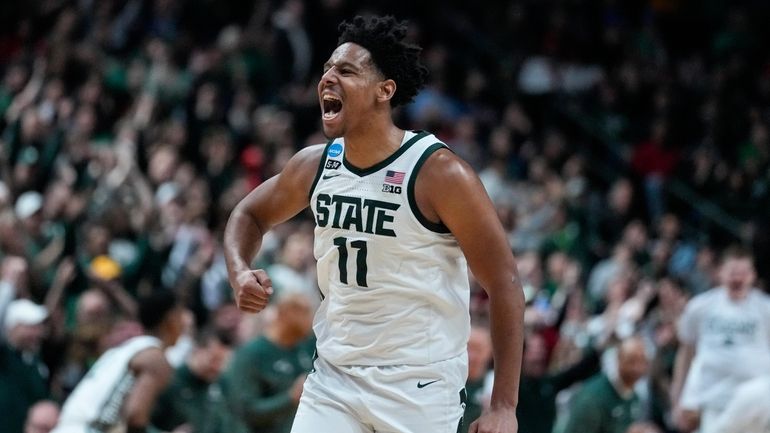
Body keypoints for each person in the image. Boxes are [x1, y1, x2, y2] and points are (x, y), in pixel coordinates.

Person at [224, 15, 524, 433]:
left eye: (346, 70)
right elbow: (249, 214)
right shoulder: (316, 164)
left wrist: (504, 406)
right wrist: (239, 270)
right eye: (327, 68)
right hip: (334, 378)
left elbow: (505, 281)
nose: (328, 77)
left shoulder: (438, 172)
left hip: (419, 386)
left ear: (385, 91)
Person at [52, 290, 185, 433]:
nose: (184, 323)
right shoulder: (155, 358)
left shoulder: (124, 349)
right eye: (181, 316)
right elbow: (135, 417)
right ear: (171, 318)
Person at [671, 248, 770, 433]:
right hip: (714, 400)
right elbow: (686, 353)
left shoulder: (765, 308)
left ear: (753, 275)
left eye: (744, 273)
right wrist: (678, 397)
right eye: (733, 272)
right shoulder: (700, 307)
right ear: (721, 273)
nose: (738, 278)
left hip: (756, 401)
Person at [221, 293, 315, 433]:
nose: (311, 320)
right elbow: (244, 411)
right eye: (305, 313)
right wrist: (289, 398)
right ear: (285, 314)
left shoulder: (303, 348)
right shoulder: (252, 353)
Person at [560, 336, 649, 433]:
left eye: (642, 361)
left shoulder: (635, 397)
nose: (638, 368)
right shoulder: (593, 397)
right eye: (631, 361)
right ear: (619, 359)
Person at [151, 328, 232, 433]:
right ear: (197, 350)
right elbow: (139, 422)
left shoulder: (220, 386)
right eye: (214, 359)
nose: (217, 367)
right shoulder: (168, 382)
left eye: (223, 362)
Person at [0, 299, 50, 433]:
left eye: (39, 327)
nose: (38, 333)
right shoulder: (4, 357)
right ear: (13, 328)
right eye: (31, 327)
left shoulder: (34, 358)